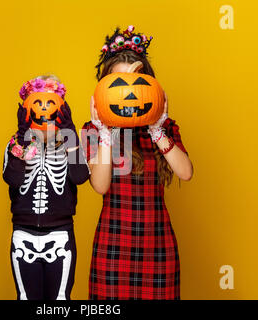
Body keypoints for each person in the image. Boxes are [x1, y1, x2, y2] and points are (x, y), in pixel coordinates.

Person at [82, 25, 194, 300]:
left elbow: (186, 172)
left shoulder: (164, 129)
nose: (128, 92)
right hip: (113, 247)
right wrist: (106, 132)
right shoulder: (92, 131)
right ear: (103, 89)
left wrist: (157, 130)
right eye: (118, 83)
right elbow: (100, 184)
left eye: (137, 82)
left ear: (151, 87)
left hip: (158, 245)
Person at [3, 75, 89, 300]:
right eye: (37, 103)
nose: (43, 108)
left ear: (61, 110)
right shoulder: (15, 144)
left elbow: (80, 177)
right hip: (23, 235)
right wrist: (23, 138)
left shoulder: (70, 144)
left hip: (60, 236)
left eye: (50, 103)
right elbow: (13, 178)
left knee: (60, 301)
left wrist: (69, 133)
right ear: (26, 109)